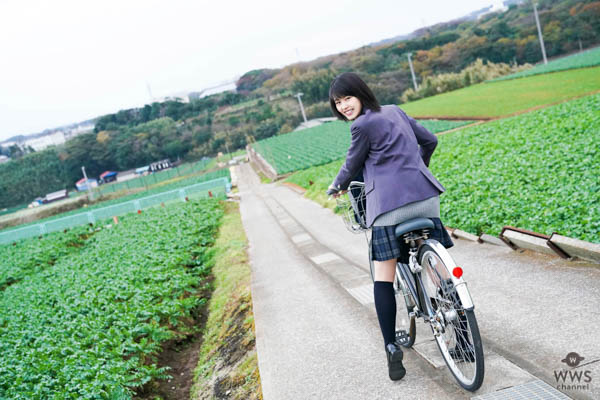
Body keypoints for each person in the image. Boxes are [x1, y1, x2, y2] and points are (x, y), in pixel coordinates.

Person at [326, 72, 454, 381]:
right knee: (436, 268)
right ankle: (462, 336)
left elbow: (352, 163)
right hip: (426, 197)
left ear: (361, 94)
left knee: (382, 275)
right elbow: (431, 140)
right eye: (337, 103)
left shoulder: (360, 125)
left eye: (347, 98)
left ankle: (390, 349)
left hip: (389, 208)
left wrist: (336, 186)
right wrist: (418, 168)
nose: (343, 106)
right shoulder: (395, 110)